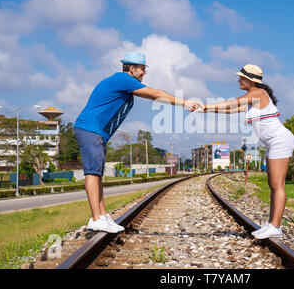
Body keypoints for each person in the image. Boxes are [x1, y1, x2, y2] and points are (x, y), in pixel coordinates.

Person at [74, 52, 201, 233]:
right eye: (142, 69)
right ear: (132, 69)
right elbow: (155, 94)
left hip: (96, 132)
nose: (144, 73)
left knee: (97, 174)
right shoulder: (123, 80)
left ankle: (101, 216)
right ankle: (96, 218)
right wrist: (184, 102)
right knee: (93, 173)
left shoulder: (123, 82)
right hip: (90, 129)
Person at [197, 64, 294, 239]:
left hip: (280, 140)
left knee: (277, 185)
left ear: (250, 80)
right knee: (273, 185)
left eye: (241, 78)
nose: (238, 80)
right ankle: (272, 224)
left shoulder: (257, 93)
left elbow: (232, 103)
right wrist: (205, 109)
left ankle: (276, 227)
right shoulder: (253, 100)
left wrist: (205, 106)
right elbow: (230, 109)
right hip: (274, 143)